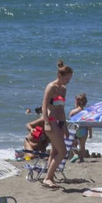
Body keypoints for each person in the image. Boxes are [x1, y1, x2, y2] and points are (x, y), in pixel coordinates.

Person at [41, 61, 73, 189]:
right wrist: (47, 122)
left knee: (54, 151)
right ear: (59, 76)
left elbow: (61, 108)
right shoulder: (51, 87)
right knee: (63, 151)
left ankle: (50, 176)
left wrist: (65, 126)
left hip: (59, 121)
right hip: (51, 120)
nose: (67, 81)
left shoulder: (63, 89)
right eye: (66, 79)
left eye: (69, 79)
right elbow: (44, 105)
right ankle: (48, 178)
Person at [70, 94, 92, 161]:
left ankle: (75, 154)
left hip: (75, 130)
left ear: (76, 102)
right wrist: (90, 133)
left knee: (73, 144)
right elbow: (89, 124)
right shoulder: (87, 112)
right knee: (82, 146)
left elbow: (70, 123)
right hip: (84, 130)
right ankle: (81, 158)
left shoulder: (73, 112)